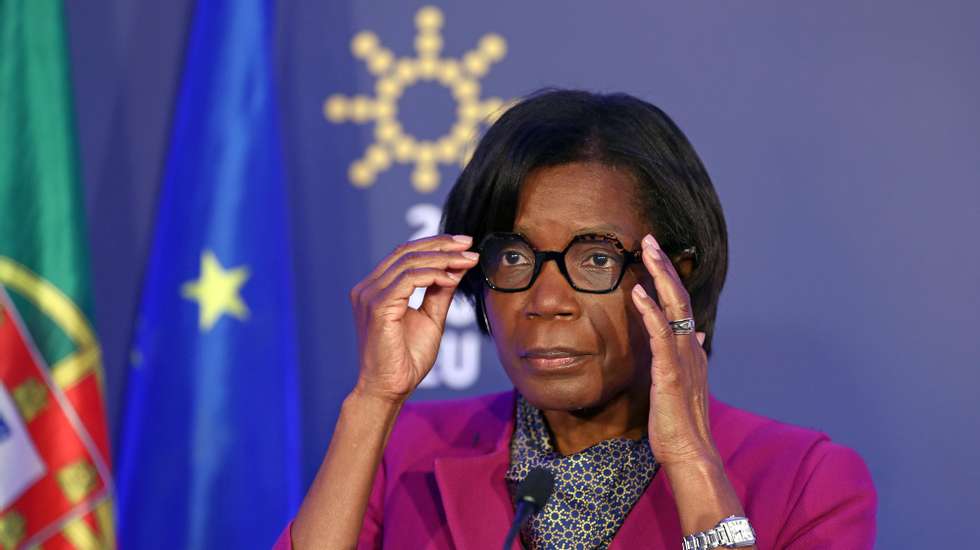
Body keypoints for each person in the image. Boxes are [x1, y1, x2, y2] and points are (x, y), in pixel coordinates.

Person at [277, 90, 877, 549]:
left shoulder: (807, 481)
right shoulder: (403, 450)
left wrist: (692, 461)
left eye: (594, 259)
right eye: (513, 256)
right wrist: (373, 401)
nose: (546, 299)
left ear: (677, 276)